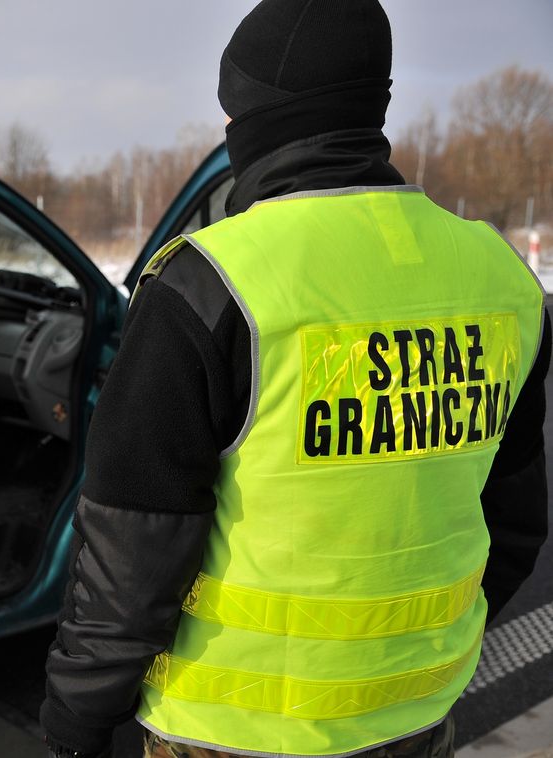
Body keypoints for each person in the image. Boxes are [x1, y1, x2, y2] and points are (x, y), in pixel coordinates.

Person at [40, 2, 551, 757]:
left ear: (256, 118)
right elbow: (513, 520)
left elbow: (133, 553)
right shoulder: (499, 279)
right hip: (415, 720)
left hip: (229, 732)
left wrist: (79, 712)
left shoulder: (213, 285)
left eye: (230, 111)